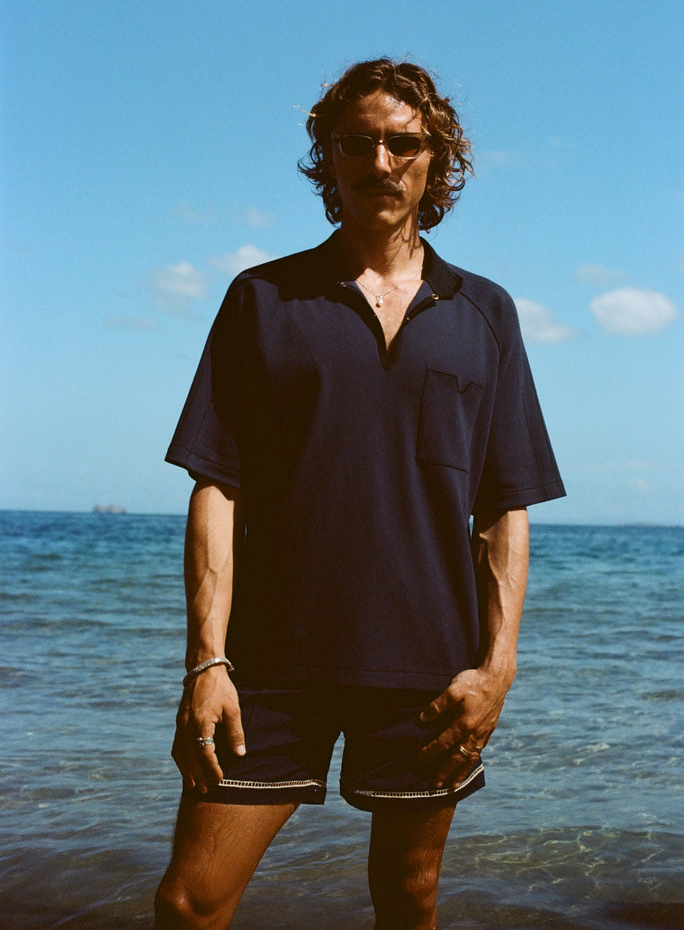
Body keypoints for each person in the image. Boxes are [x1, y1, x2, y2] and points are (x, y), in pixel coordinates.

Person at [154, 57, 565, 930]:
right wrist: (206, 661)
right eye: (357, 144)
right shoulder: (261, 299)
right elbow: (215, 488)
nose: (380, 163)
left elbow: (503, 507)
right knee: (191, 902)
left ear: (435, 159)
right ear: (328, 160)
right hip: (267, 660)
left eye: (403, 143)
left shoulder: (485, 311)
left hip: (427, 666)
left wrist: (498, 669)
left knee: (408, 896)